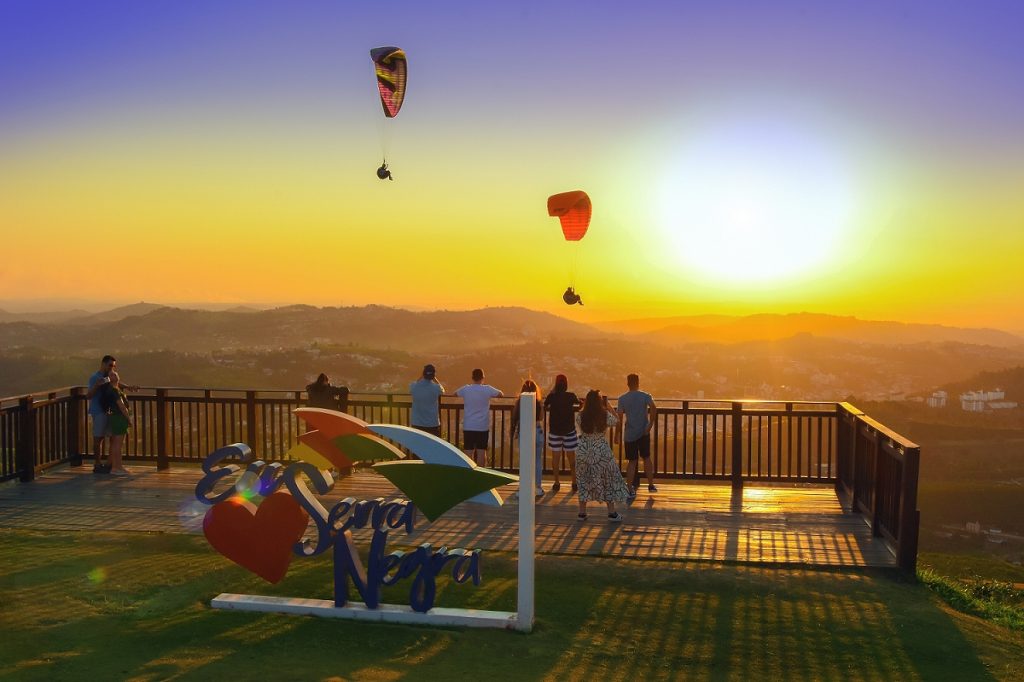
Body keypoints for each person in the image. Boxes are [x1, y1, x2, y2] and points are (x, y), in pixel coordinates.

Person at [575, 390, 629, 522]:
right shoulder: (604, 415)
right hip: (601, 451)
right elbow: (617, 420)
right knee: (608, 480)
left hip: (584, 450)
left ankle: (582, 512)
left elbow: (580, 420)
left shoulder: (580, 415)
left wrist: (583, 406)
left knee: (584, 480)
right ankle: (611, 513)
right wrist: (609, 406)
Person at [85, 355, 137, 474]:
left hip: (109, 412)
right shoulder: (95, 377)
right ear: (103, 364)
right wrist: (97, 385)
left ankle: (110, 464)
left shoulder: (107, 377)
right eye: (110, 365)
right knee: (98, 438)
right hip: (99, 411)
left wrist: (128, 387)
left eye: (114, 366)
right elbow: (88, 396)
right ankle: (97, 464)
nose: (112, 368)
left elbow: (115, 383)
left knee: (113, 438)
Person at [617, 373, 658, 496]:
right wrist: (650, 424)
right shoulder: (645, 396)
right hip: (643, 431)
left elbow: (619, 418)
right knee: (646, 458)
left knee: (632, 461)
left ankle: (629, 488)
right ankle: (650, 485)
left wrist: (617, 434)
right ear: (638, 383)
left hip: (630, 433)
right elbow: (654, 407)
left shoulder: (622, 399)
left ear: (627, 383)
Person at [454, 369, 503, 466]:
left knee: (468, 453)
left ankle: (469, 476)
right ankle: (481, 474)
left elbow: (455, 394)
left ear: (472, 378)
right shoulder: (487, 389)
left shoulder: (466, 389)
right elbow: (500, 394)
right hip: (482, 426)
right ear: (483, 378)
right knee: (481, 452)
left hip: (468, 426)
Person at [543, 374, 581, 493]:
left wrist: (553, 390)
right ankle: (574, 482)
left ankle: (556, 482)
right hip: (569, 430)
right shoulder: (571, 396)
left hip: (555, 431)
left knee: (556, 458)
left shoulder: (552, 397)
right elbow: (580, 403)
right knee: (572, 459)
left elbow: (545, 405)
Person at [511, 379, 545, 497]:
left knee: (525, 461)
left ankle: (524, 487)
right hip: (538, 430)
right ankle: (538, 487)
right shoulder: (539, 403)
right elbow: (540, 418)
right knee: (537, 461)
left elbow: (515, 418)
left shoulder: (520, 403)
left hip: (525, 431)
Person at [103, 371, 132, 475]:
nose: (114, 375)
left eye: (115, 374)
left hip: (115, 417)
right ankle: (116, 468)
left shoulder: (115, 389)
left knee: (117, 444)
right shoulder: (114, 390)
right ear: (108, 379)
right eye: (111, 375)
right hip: (118, 417)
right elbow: (121, 406)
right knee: (118, 445)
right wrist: (128, 419)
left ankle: (118, 467)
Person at [410, 364, 444, 436]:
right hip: (432, 423)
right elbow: (442, 390)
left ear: (423, 373)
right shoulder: (436, 388)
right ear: (433, 375)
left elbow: (414, 384)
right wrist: (435, 379)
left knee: (417, 445)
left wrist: (421, 376)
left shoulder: (414, 386)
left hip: (417, 423)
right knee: (433, 446)